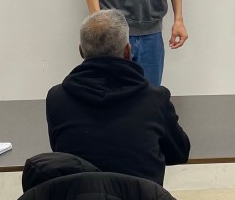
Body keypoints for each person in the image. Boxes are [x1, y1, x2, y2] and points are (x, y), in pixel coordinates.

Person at [46, 9, 190, 186]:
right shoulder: (156, 99)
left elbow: (59, 149)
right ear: (128, 51)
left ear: (81, 51)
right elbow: (179, 153)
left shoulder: (57, 98)